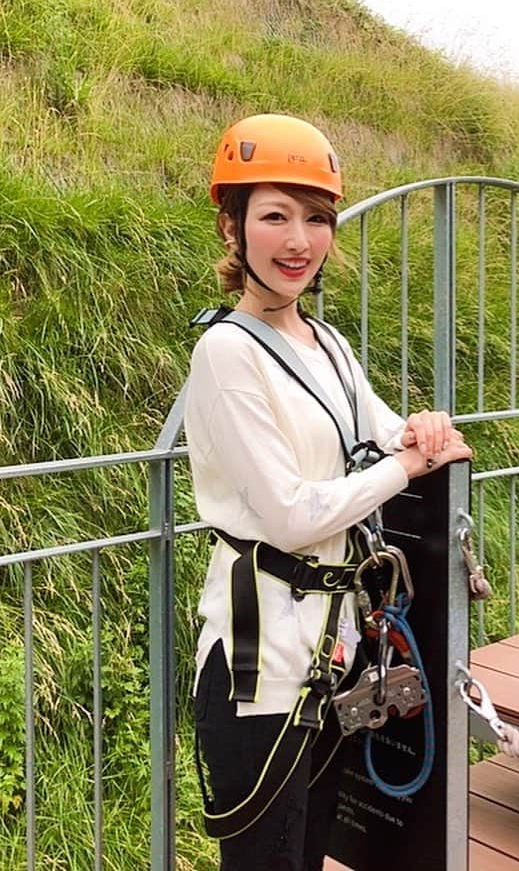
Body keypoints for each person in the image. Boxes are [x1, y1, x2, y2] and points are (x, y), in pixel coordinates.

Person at [184, 113, 472, 870]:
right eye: (274, 216)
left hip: (334, 652)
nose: (297, 241)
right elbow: (287, 513)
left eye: (316, 218)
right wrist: (406, 467)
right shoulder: (226, 353)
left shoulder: (329, 344)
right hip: (260, 667)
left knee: (308, 853)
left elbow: (377, 435)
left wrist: (424, 430)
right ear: (232, 226)